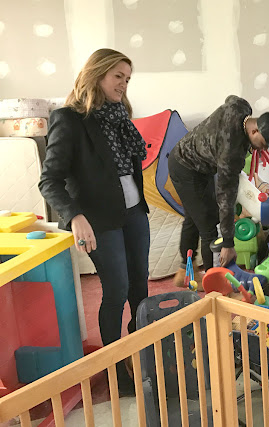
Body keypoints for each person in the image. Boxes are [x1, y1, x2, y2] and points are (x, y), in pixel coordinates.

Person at [39, 48, 149, 393]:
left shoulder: (120, 116)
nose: (124, 84)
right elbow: (50, 181)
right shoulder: (69, 119)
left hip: (134, 213)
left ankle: (140, 353)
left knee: (140, 288)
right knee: (116, 289)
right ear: (97, 74)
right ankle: (114, 364)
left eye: (128, 79)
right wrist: (75, 217)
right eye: (118, 76)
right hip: (98, 219)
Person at [169, 95, 269, 286]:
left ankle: (184, 270)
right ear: (254, 130)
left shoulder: (242, 108)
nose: (266, 149)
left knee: (194, 216)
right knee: (209, 225)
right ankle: (215, 288)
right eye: (265, 143)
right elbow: (226, 198)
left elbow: (230, 99)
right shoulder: (231, 152)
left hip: (198, 162)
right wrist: (228, 244)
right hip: (185, 166)